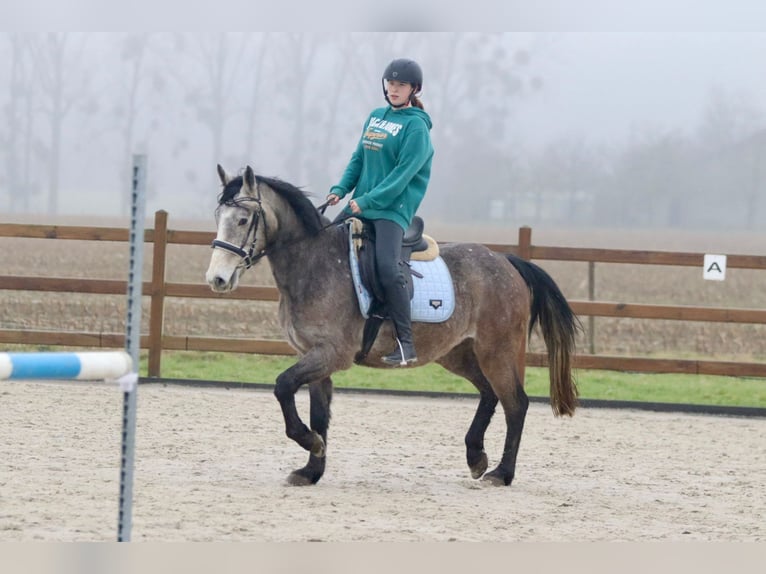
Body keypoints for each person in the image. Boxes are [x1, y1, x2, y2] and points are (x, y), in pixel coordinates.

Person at [327, 58, 434, 367]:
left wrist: (368, 201)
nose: (393, 89)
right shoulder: (375, 117)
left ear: (414, 89)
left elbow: (402, 177)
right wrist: (340, 188)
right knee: (323, 247)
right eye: (390, 83)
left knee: (388, 269)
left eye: (400, 85)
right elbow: (358, 159)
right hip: (361, 203)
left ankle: (405, 343)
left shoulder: (417, 128)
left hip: (392, 210)